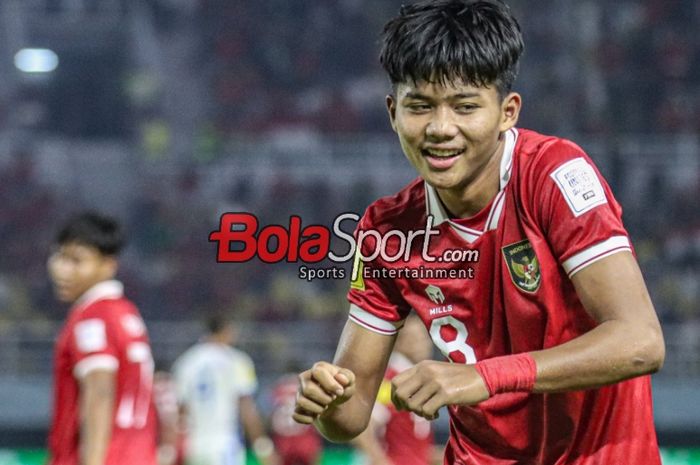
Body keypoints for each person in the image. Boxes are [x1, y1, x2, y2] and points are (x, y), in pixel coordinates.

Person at [293, 1, 666, 464]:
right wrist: (326, 400)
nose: (440, 129)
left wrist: (486, 377)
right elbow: (350, 416)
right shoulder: (385, 231)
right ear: (393, 112)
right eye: (420, 107)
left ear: (508, 111)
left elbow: (640, 342)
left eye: (465, 106)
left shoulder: (553, 175)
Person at [47, 212, 158, 465]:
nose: (62, 270)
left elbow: (99, 392)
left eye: (76, 261)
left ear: (108, 265)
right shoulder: (124, 312)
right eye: (60, 256)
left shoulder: (92, 317)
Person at [172, 315, 278, 465]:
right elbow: (246, 407)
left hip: (195, 446)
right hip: (225, 444)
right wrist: (262, 446)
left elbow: (180, 412)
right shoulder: (237, 360)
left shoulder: (186, 362)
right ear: (227, 330)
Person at [351, 315, 436, 465]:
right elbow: (360, 429)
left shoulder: (416, 379)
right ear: (398, 343)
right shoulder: (391, 382)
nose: (422, 345)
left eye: (424, 338)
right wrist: (380, 461)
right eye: (414, 340)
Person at [269, 372, 323, 465]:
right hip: (305, 436)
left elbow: (272, 415)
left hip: (283, 439)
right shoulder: (305, 385)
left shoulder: (278, 389)